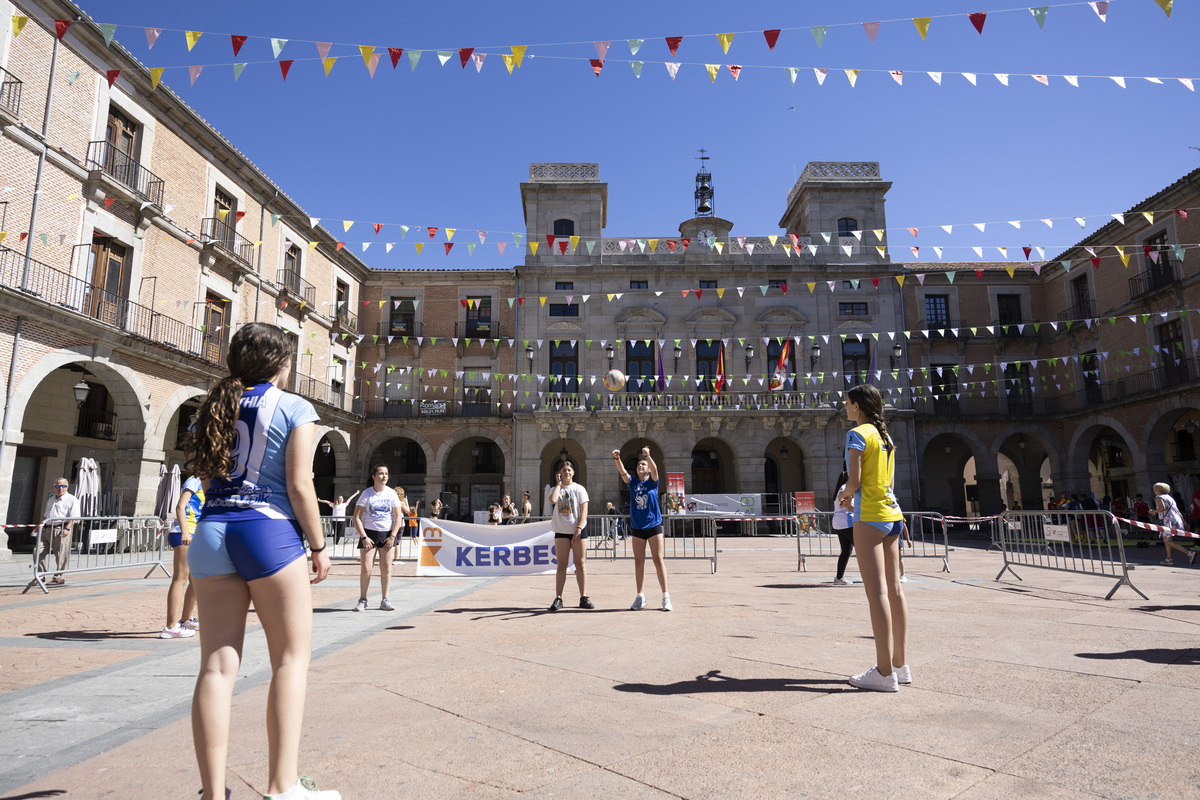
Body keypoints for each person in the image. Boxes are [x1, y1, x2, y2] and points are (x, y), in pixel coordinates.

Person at [184, 322, 337, 800]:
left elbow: (207, 480)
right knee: (291, 660)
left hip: (210, 531)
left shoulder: (212, 405)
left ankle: (212, 794)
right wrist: (318, 545)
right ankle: (283, 785)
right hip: (265, 530)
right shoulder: (295, 407)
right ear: (281, 364)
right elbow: (299, 485)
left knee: (215, 666)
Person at [837, 383, 909, 693]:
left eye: (847, 402)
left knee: (876, 592)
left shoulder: (857, 434)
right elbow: (887, 481)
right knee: (894, 590)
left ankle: (882, 672)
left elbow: (853, 479)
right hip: (892, 513)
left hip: (870, 516)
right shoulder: (885, 436)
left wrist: (847, 495)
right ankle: (899, 665)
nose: (845, 407)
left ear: (857, 406)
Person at [613, 447, 671, 611]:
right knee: (639, 562)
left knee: (658, 560)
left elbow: (655, 469)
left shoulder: (653, 482)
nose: (641, 466)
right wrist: (617, 459)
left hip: (653, 525)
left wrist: (648, 456)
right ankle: (640, 596)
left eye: (644, 465)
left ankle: (665, 596)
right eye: (639, 464)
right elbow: (623, 473)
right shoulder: (634, 483)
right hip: (637, 527)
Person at [353, 465, 403, 612]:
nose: (384, 476)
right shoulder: (367, 494)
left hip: (387, 533)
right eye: (380, 474)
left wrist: (393, 536)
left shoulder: (392, 493)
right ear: (373, 476)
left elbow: (398, 516)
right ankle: (362, 599)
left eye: (386, 473)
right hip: (369, 533)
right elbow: (356, 517)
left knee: (386, 568)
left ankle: (385, 599)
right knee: (366, 568)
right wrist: (364, 537)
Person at [162, 475, 204, 639]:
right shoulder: (194, 481)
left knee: (195, 579)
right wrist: (185, 531)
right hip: (183, 533)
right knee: (180, 578)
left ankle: (186, 619)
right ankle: (170, 627)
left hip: (195, 534)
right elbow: (180, 507)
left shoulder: (209, 483)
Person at [548, 461, 591, 611]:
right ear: (559, 473)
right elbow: (552, 500)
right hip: (561, 531)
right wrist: (559, 484)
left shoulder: (579, 489)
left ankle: (583, 597)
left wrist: (579, 528)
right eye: (564, 470)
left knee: (580, 564)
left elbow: (584, 510)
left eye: (569, 470)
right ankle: (558, 598)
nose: (567, 472)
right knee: (561, 565)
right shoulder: (555, 489)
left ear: (573, 472)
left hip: (578, 530)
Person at [36, 477, 81, 585]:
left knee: (60, 554)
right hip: (47, 529)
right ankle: (40, 575)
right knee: (37, 551)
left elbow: (75, 517)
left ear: (67, 487)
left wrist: (67, 528)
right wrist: (40, 526)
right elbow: (46, 515)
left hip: (61, 529)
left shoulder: (72, 499)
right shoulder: (51, 499)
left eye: (63, 486)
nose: (60, 488)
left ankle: (59, 578)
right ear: (54, 487)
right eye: (57, 486)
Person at [1154, 482, 1193, 565]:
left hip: (1167, 521)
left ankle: (1189, 553)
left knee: (1167, 540)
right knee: (1167, 540)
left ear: (1158, 490)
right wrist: (1184, 521)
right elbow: (1178, 511)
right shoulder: (1170, 498)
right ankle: (1169, 559)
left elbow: (1162, 508)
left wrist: (1153, 511)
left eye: (1155, 489)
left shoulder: (1159, 497)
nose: (1154, 491)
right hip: (1175, 519)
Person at [831, 468, 854, 586]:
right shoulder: (846, 489)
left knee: (846, 550)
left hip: (838, 522)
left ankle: (839, 577)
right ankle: (871, 575)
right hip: (847, 521)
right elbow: (848, 506)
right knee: (863, 549)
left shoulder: (839, 489)